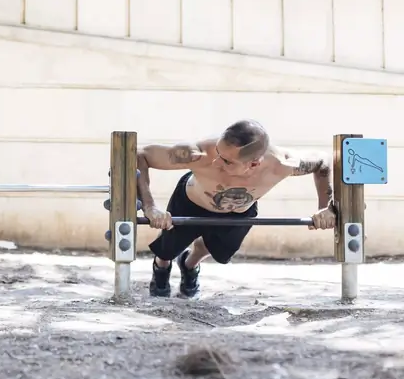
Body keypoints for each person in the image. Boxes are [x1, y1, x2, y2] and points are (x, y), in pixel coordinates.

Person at [137, 119, 336, 299]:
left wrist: (324, 208)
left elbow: (322, 161)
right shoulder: (199, 154)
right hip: (191, 202)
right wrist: (150, 206)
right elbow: (142, 156)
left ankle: (189, 265)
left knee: (218, 251)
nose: (216, 161)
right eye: (218, 152)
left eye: (227, 161)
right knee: (168, 248)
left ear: (254, 163)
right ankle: (161, 268)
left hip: (239, 211)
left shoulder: (282, 163)